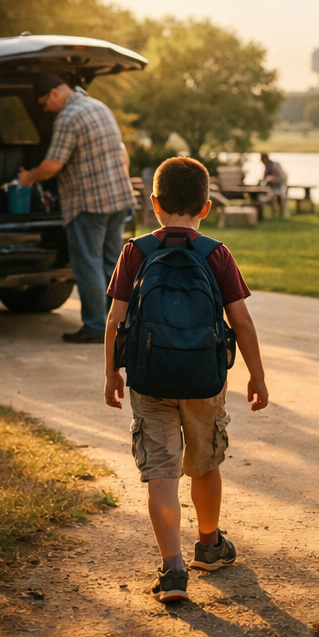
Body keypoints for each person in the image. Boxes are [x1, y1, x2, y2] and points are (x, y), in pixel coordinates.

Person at [102, 156, 270, 603]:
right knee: (205, 462)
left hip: (149, 380)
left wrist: (111, 373)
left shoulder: (134, 251)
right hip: (204, 381)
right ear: (206, 206)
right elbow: (243, 322)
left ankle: (172, 569)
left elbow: (114, 321)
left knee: (162, 471)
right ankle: (210, 545)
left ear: (153, 203)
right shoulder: (216, 253)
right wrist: (257, 376)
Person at [16, 73, 133, 344]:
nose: (45, 109)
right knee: (111, 264)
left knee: (87, 264)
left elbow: (52, 166)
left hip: (88, 203)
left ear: (55, 94)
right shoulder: (99, 107)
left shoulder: (68, 118)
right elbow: (123, 154)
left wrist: (28, 178)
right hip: (118, 199)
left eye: (44, 103)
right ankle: (119, 326)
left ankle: (94, 327)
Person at [258, 152, 288, 216]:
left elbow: (278, 177)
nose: (263, 162)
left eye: (263, 160)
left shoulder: (273, 166)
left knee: (274, 197)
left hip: (277, 187)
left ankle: (275, 213)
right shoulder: (271, 165)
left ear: (265, 158)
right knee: (274, 197)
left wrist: (267, 180)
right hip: (276, 187)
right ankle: (275, 213)